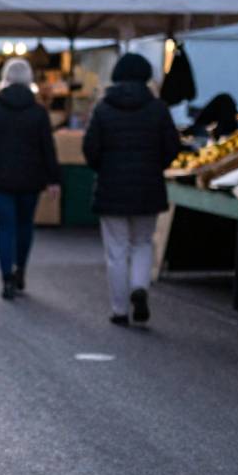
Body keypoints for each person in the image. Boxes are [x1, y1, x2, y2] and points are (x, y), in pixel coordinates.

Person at [83, 53, 182, 326]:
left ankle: (119, 309)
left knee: (116, 250)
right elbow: (172, 147)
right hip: (148, 187)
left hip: (111, 187)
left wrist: (104, 167)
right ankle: (139, 286)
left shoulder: (103, 108)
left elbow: (90, 149)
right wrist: (155, 165)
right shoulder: (158, 108)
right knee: (142, 242)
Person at [0, 58, 60, 300]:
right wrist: (53, 179)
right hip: (31, 177)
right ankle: (21, 269)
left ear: (5, 79)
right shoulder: (39, 112)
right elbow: (48, 148)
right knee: (25, 225)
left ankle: (6, 277)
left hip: (0, 177)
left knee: (5, 227)